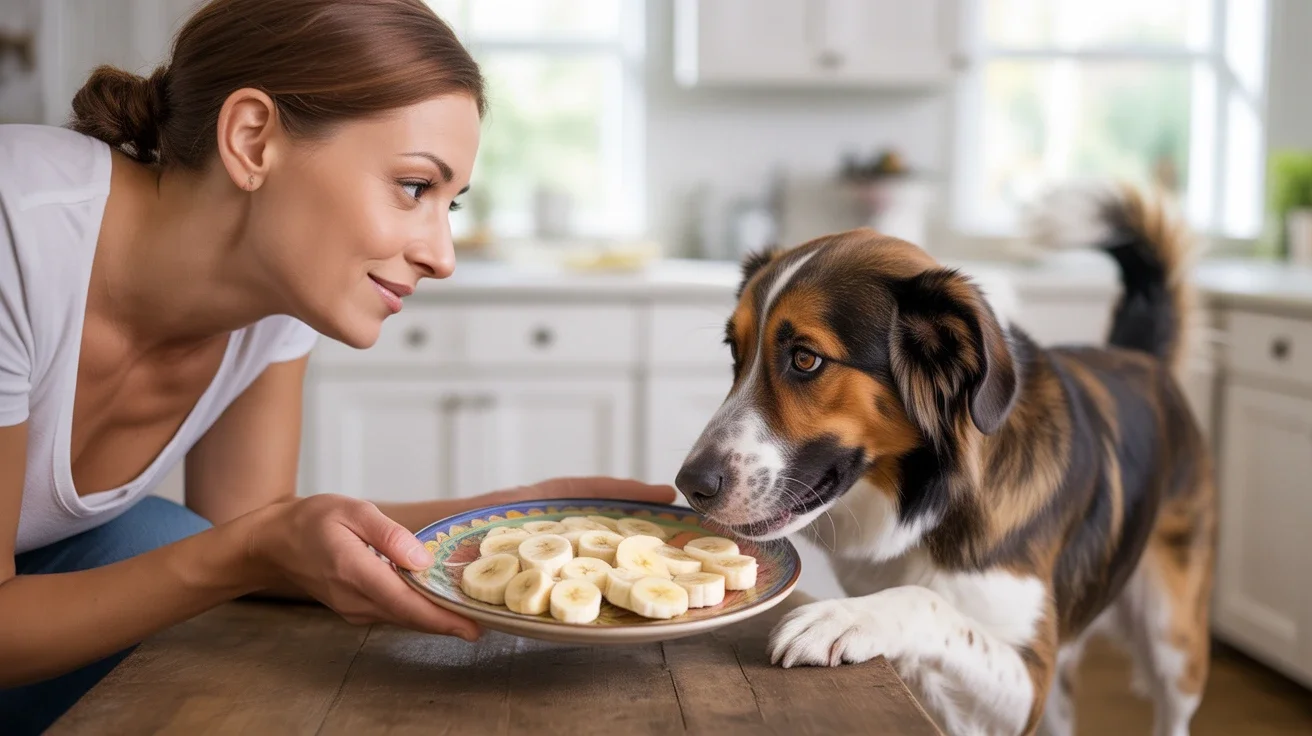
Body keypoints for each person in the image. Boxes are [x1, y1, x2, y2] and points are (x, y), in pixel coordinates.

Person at [0, 1, 675, 732]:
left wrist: (513, 515)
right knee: (167, 546)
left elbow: (258, 529)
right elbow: (251, 546)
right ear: (253, 139)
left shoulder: (277, 291)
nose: (442, 256)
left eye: (450, 204)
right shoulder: (18, 230)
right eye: (415, 187)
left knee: (168, 546)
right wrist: (252, 548)